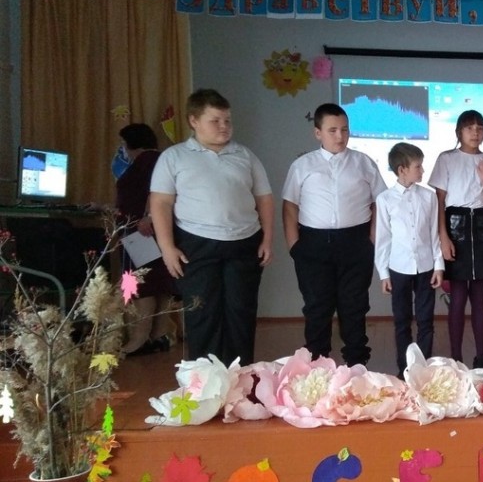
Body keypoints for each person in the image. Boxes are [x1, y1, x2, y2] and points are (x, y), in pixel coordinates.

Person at [150, 88, 274, 366]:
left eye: (227, 120)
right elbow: (160, 203)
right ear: (193, 121)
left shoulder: (245, 155)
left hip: (244, 242)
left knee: (241, 312)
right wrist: (167, 247)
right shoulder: (174, 157)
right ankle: (206, 380)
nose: (224, 126)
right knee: (202, 312)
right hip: (195, 244)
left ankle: (241, 377)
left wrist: (267, 238)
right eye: (215, 121)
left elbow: (264, 199)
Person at [282, 103, 386, 366]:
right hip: (313, 245)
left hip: (356, 243)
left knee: (355, 306)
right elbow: (290, 205)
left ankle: (357, 367)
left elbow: (380, 202)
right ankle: (318, 367)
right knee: (317, 307)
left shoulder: (363, 163)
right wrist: (294, 245)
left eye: (344, 130)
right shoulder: (302, 165)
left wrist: (372, 240)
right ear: (318, 133)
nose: (340, 136)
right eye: (332, 130)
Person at [428, 109, 483, 369]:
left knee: (479, 296)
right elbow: (439, 201)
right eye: (469, 128)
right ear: (459, 132)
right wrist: (443, 237)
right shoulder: (447, 158)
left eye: (480, 128)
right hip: (455, 226)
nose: (475, 132)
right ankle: (455, 358)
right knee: (458, 295)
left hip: (482, 227)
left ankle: (482, 357)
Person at [374, 143, 445, 375]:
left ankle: (422, 369)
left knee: (426, 321)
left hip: (425, 267)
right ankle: (404, 370)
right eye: (418, 166)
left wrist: (438, 265)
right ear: (402, 169)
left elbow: (434, 233)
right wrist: (383, 273)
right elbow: (383, 238)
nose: (422, 170)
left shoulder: (428, 197)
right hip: (399, 268)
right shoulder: (385, 199)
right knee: (402, 321)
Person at [115, 123, 176, 356]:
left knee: (143, 285)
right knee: (159, 285)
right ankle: (159, 336)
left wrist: (148, 217)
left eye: (123, 143)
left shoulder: (148, 162)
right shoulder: (159, 160)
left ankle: (138, 340)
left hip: (142, 234)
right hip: (152, 231)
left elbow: (158, 192)